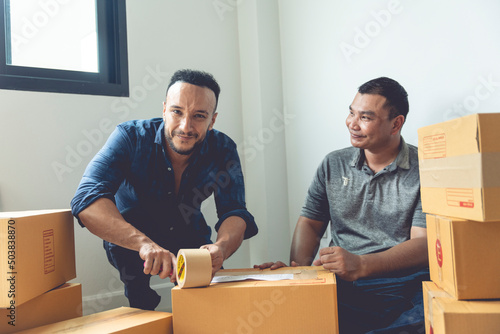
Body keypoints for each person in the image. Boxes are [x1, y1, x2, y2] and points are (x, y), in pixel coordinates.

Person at [71, 69, 258, 310]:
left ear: (212, 120)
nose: (185, 126)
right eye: (177, 112)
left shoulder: (223, 149)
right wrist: (145, 244)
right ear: (164, 109)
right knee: (142, 309)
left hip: (190, 234)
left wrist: (221, 248)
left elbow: (234, 211)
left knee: (212, 307)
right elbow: (86, 200)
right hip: (131, 240)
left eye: (199, 116)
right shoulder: (129, 137)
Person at [256, 77, 428, 333]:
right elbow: (311, 224)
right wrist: (299, 272)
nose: (352, 124)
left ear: (396, 123)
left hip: (401, 288)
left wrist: (362, 265)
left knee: (430, 311)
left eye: (365, 117)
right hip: (341, 285)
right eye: (351, 112)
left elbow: (422, 245)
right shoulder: (333, 164)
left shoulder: (425, 167)